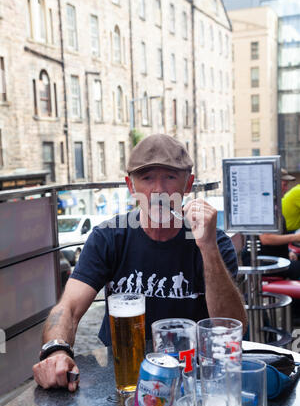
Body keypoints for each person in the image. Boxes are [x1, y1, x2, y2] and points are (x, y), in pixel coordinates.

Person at [32, 133, 247, 392]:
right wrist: (56, 349)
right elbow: (69, 307)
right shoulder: (109, 237)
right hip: (121, 374)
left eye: (170, 177)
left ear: (187, 184)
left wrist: (208, 247)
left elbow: (231, 327)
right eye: (146, 178)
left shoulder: (214, 241)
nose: (157, 190)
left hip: (193, 377)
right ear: (131, 186)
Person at [242, 168, 300, 279]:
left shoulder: (271, 205)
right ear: (273, 185)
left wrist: (288, 251)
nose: (286, 189)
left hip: (271, 257)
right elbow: (266, 239)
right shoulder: (263, 207)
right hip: (261, 262)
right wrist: (295, 237)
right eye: (284, 185)